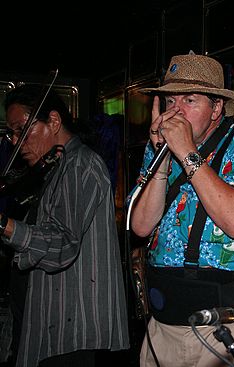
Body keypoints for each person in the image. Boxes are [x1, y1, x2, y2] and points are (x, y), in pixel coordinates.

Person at [128, 53, 234, 367]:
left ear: (216, 107)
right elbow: (139, 226)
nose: (176, 111)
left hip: (222, 329)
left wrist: (186, 151)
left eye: (190, 100)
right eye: (170, 101)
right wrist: (162, 160)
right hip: (162, 327)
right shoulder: (159, 149)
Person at [0, 85, 130, 367]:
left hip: (70, 327)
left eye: (21, 129)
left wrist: (5, 225)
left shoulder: (80, 165)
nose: (15, 141)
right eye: (10, 133)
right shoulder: (55, 167)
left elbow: (62, 243)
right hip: (51, 321)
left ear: (54, 122)